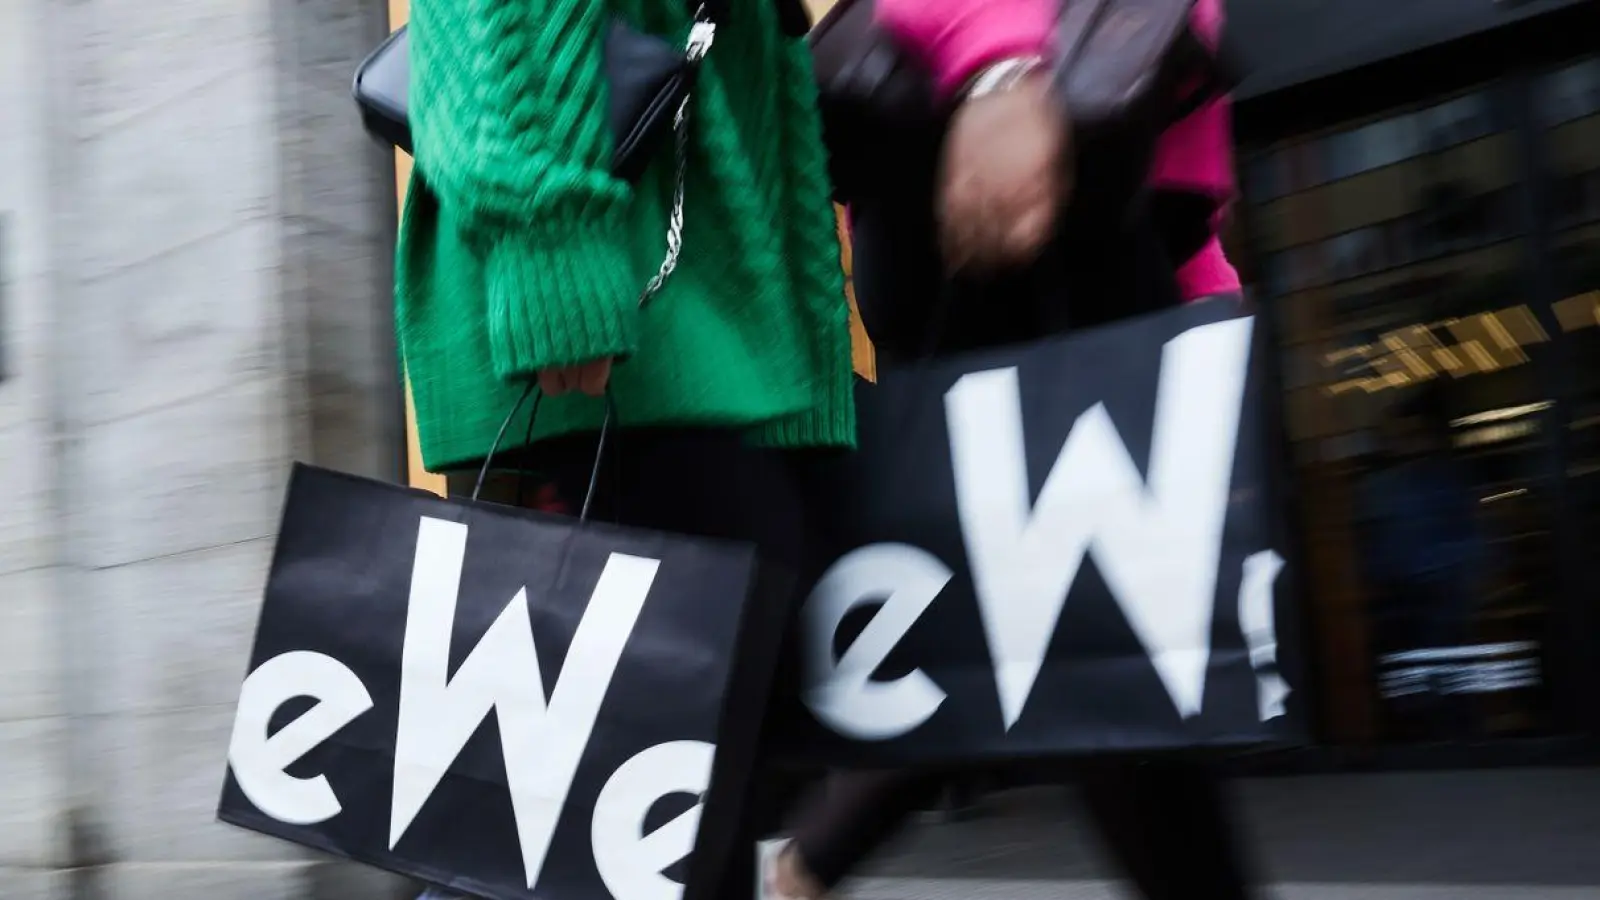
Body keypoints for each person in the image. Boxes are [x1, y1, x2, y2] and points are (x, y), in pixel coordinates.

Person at [763, 0, 1266, 898]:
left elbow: (1176, 103)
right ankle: (809, 857)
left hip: (1104, 218)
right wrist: (998, 66)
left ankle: (810, 860)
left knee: (1028, 614)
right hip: (978, 182)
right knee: (1100, 634)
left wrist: (1202, 295)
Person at [395, 0, 853, 897]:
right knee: (615, 805)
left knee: (657, 799)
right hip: (619, 279)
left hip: (687, 281)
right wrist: (550, 233)